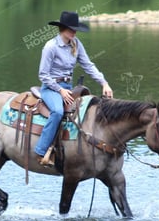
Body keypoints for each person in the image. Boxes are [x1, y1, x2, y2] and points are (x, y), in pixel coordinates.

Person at [35, 11, 113, 166]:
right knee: (57, 112)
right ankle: (41, 151)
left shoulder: (76, 44)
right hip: (51, 88)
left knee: (89, 110)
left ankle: (77, 151)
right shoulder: (50, 47)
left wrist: (104, 83)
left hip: (69, 88)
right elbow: (43, 75)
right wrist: (60, 90)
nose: (74, 32)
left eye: (75, 29)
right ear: (62, 28)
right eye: (71, 28)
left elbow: (88, 65)